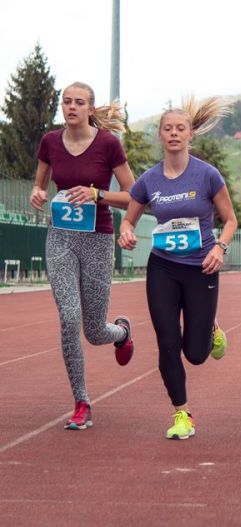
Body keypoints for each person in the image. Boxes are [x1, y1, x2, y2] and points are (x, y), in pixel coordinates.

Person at [118, 96, 237, 440]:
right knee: (167, 341)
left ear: (190, 135)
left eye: (179, 128)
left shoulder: (207, 175)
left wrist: (220, 247)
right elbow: (129, 219)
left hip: (201, 267)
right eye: (167, 128)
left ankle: (210, 328)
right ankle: (182, 413)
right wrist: (126, 231)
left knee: (196, 354)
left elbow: (230, 219)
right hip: (163, 268)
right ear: (160, 135)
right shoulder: (148, 180)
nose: (173, 133)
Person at [29, 81, 135, 431]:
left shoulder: (108, 144)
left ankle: (121, 333)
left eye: (78, 102)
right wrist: (37, 193)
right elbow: (40, 183)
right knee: (69, 318)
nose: (71, 107)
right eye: (66, 101)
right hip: (60, 238)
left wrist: (96, 194)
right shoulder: (50, 142)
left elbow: (133, 196)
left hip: (97, 240)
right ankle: (81, 402)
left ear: (91, 109)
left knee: (94, 330)